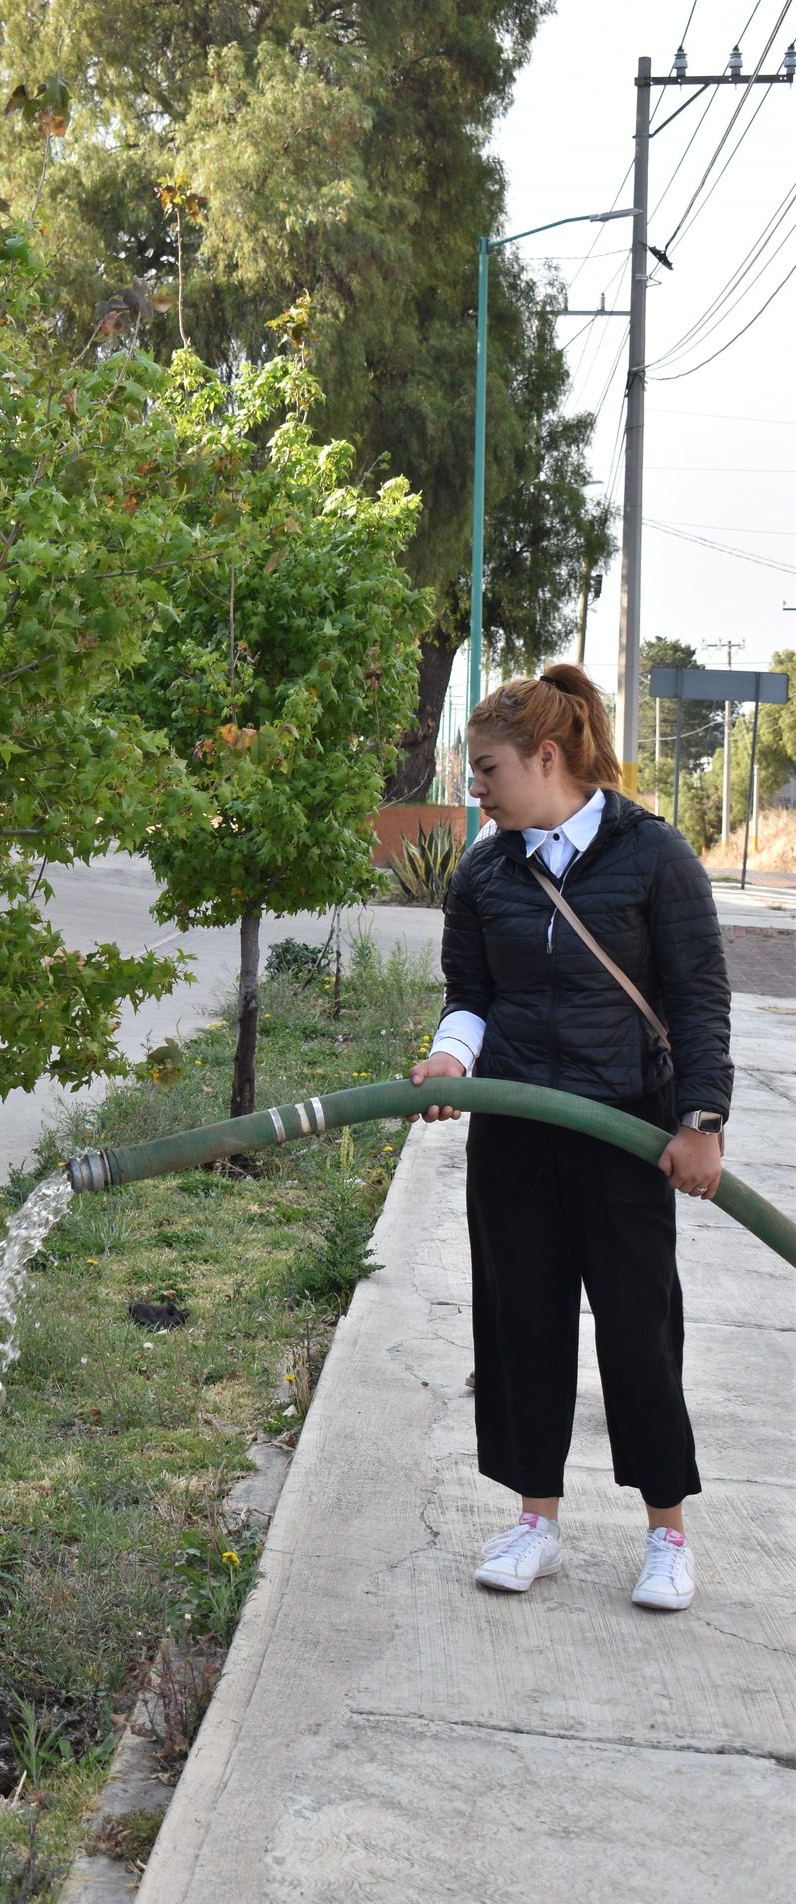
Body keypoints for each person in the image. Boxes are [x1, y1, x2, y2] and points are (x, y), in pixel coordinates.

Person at [408, 664, 731, 1612]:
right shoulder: (483, 871)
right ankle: (534, 1520)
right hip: (515, 1133)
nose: (474, 786)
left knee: (638, 1333)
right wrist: (448, 1059)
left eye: (485, 768)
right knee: (520, 1327)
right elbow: (471, 998)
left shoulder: (652, 856)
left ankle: (665, 1534)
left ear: (545, 757)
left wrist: (699, 1122)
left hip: (623, 1133)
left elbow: (698, 1001)